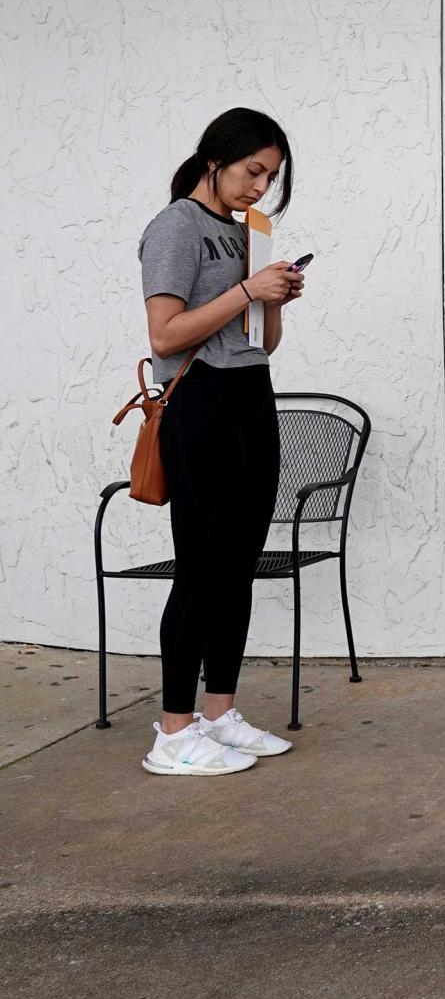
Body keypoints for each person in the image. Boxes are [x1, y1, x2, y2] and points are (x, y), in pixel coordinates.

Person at [137, 107, 306, 776]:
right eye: (252, 171)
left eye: (269, 177)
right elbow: (164, 337)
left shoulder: (246, 234)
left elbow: (257, 341)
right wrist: (244, 289)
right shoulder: (174, 228)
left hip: (248, 396)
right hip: (197, 402)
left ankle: (218, 715)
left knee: (240, 564)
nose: (259, 189)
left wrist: (274, 302)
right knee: (200, 568)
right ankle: (173, 732)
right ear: (216, 157)